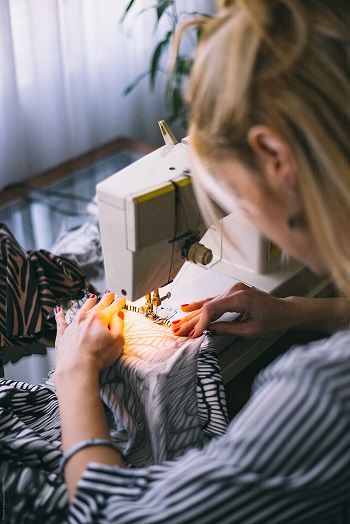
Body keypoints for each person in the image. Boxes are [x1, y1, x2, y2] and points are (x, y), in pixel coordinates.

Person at [53, 0, 350, 521]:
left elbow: (109, 516)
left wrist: (74, 374)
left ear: (276, 159)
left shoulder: (319, 393)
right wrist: (300, 311)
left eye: (232, 193)